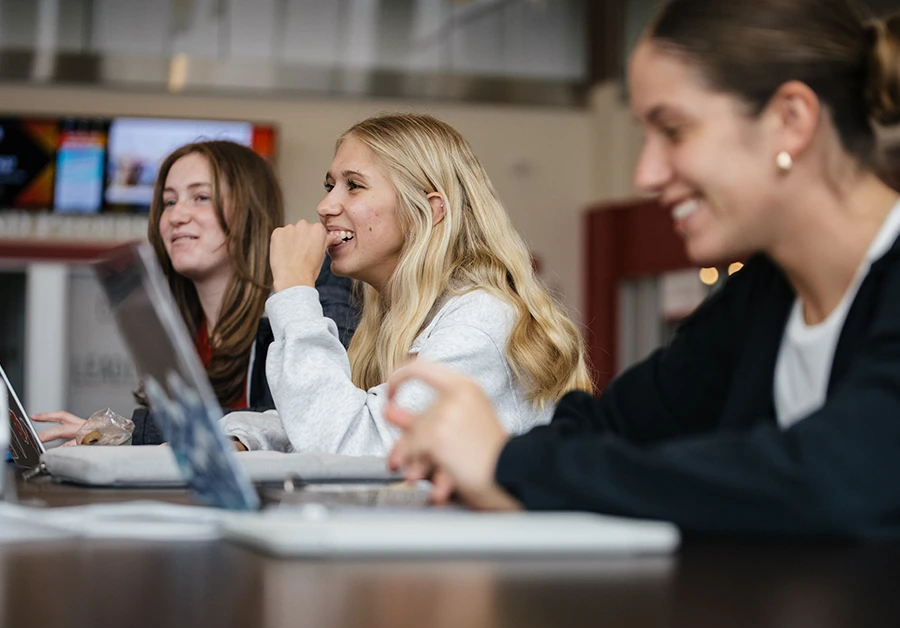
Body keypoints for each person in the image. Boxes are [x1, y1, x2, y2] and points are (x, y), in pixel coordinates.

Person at [384, 0, 900, 538]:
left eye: (673, 131)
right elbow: (610, 426)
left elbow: (837, 481)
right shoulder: (763, 299)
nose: (646, 173)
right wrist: (481, 457)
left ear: (791, 121)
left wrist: (506, 466)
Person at [222, 113, 591, 455]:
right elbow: (336, 418)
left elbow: (356, 447)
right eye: (330, 185)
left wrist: (295, 294)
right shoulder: (398, 317)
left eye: (353, 186)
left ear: (428, 211)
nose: (325, 205)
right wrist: (243, 437)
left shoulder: (481, 319)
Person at [34, 140, 358, 446]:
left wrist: (128, 432)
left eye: (200, 197)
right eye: (169, 202)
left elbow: (298, 425)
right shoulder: (183, 328)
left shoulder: (312, 291)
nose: (177, 216)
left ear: (249, 213)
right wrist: (113, 436)